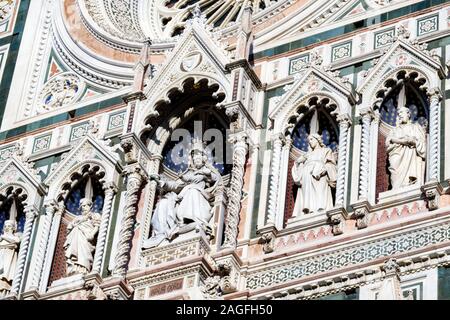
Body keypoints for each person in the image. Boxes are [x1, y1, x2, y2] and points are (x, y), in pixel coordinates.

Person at [292, 133, 337, 216]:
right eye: (309, 141)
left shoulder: (326, 150)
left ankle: (320, 208)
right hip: (306, 175)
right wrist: (298, 162)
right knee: (307, 194)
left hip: (319, 174)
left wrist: (323, 169)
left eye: (311, 139)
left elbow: (331, 164)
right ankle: (308, 210)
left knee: (320, 191)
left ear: (317, 139)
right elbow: (297, 163)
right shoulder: (307, 154)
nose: (310, 142)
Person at [386, 106, 426, 190]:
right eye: (398, 114)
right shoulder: (395, 130)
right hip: (397, 153)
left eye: (401, 112)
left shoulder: (415, 127)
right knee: (394, 168)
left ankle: (410, 183)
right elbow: (389, 141)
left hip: (411, 153)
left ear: (408, 114)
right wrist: (404, 141)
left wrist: (413, 142)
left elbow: (422, 143)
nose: (399, 115)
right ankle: (396, 188)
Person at [64, 198, 101, 275]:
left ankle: (83, 269)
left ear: (90, 206)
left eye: (85, 206)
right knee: (75, 252)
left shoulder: (95, 215)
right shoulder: (78, 218)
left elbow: (97, 225)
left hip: (86, 238)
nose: (83, 208)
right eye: (82, 207)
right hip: (76, 237)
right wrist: (79, 222)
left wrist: (92, 234)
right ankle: (74, 268)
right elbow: (69, 227)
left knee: (84, 254)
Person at [0, 220, 20, 296]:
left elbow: (17, 241)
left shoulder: (14, 237)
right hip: (1, 258)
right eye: (5, 226)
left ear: (13, 228)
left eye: (9, 226)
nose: (7, 228)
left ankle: (5, 293)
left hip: (9, 259)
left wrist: (5, 237)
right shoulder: (1, 238)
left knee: (5, 276)